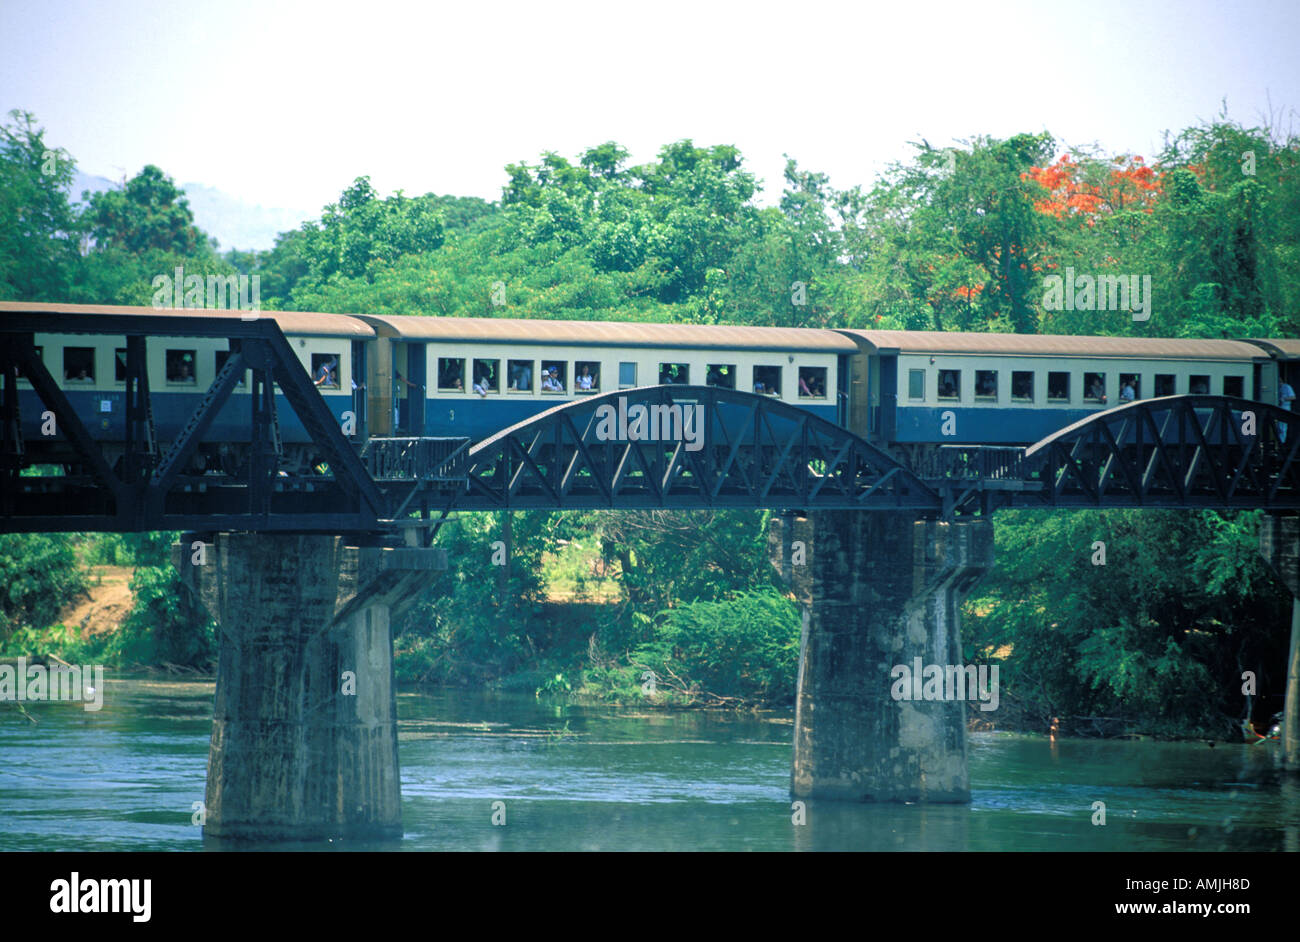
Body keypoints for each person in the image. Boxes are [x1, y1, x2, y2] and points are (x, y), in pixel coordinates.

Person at [1280, 378, 1295, 443]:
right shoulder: (1277, 388)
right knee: (1279, 427)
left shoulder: (1287, 387)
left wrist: (1284, 399)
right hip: (1278, 407)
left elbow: (1293, 397)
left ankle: (1282, 442)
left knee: (1283, 427)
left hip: (1285, 407)